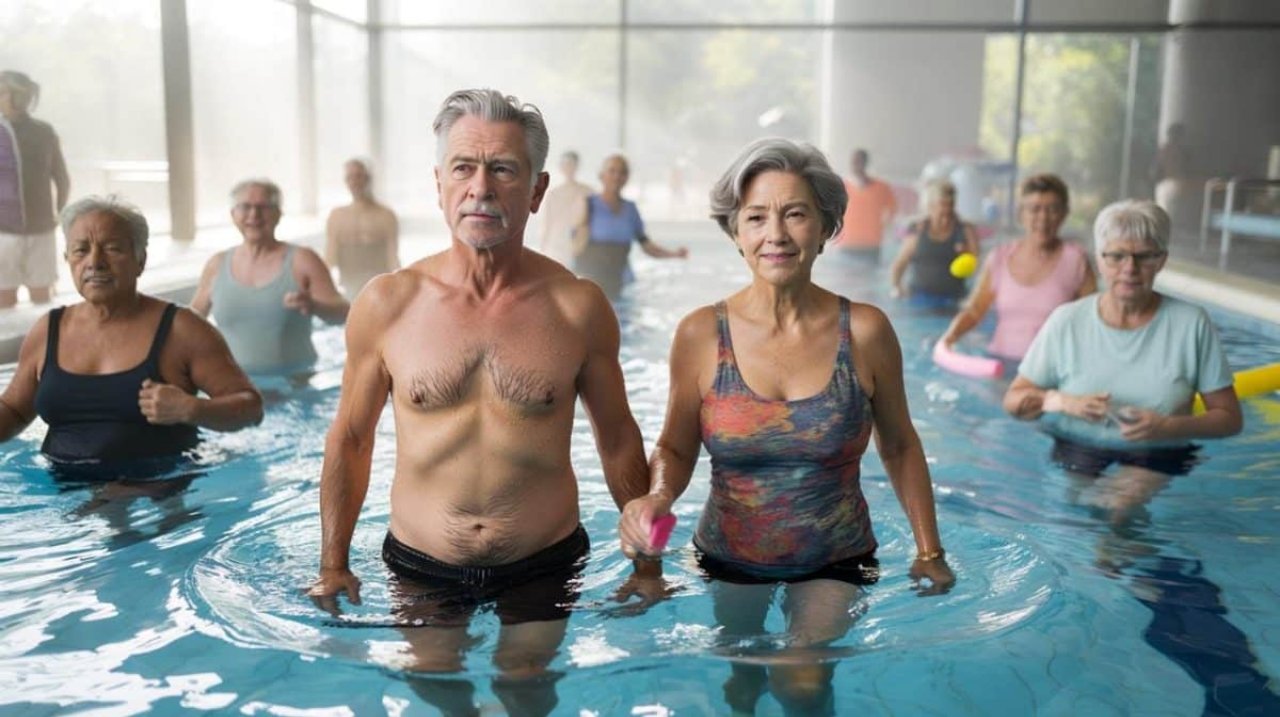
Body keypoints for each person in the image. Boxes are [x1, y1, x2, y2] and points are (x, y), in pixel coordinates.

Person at [308, 89, 650, 714]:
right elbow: (351, 440)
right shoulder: (389, 304)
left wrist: (648, 561)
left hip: (544, 559)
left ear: (537, 190)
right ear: (439, 183)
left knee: (527, 691)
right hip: (422, 563)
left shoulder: (578, 306)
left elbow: (619, 437)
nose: (481, 188)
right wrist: (333, 563)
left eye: (503, 169)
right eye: (463, 167)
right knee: (438, 692)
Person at [616, 138, 954, 715]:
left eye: (795, 213)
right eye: (756, 217)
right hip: (727, 553)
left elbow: (898, 446)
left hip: (835, 556)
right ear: (736, 233)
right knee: (741, 680)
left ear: (825, 227)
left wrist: (929, 550)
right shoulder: (701, 333)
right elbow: (676, 444)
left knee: (802, 681)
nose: (776, 233)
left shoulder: (866, 332)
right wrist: (656, 504)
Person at [0, 196, 262, 464]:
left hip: (158, 492)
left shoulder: (182, 330)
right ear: (67, 258)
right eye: (81, 250)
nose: (95, 262)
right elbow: (14, 410)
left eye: (112, 248)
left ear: (140, 260)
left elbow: (251, 408)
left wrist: (193, 409)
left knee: (109, 505)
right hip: (61, 488)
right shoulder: (48, 330)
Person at [1003, 199, 1242, 488]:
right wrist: (1064, 402)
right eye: (1116, 256)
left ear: (1162, 260)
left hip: (1158, 451)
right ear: (1100, 260)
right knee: (1071, 511)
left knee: (1117, 508)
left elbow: (1229, 418)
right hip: (1076, 445)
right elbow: (1013, 402)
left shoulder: (1191, 324)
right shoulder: (1067, 321)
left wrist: (1167, 428)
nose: (1130, 268)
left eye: (1143, 257)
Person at [191, 179, 348, 374]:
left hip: (294, 385)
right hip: (232, 385)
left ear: (278, 214)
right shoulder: (217, 265)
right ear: (233, 214)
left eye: (263, 207)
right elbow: (190, 325)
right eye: (245, 207)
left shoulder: (302, 261)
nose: (253, 215)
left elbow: (344, 314)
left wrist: (314, 306)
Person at [940, 174, 1097, 362]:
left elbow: (1094, 321)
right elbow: (975, 311)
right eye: (1034, 209)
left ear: (1064, 213)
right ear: (1021, 214)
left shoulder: (1076, 261)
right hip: (1000, 364)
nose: (1043, 217)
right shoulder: (999, 258)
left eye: (1052, 209)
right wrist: (949, 338)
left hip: (1050, 370)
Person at [572, 154, 688, 298]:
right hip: (590, 284)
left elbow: (646, 245)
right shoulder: (588, 204)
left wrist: (674, 254)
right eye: (612, 171)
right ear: (601, 175)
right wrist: (583, 221)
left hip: (619, 283)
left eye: (622, 172)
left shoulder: (630, 209)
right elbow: (574, 249)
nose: (617, 176)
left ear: (627, 177)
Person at [0, 70, 70, 309]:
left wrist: (60, 214)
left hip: (41, 231)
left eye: (3, 92)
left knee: (42, 302)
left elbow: (61, 178)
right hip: (3, 233)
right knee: (4, 303)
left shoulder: (44, 131)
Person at [889, 178, 979, 307]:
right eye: (942, 206)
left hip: (954, 300)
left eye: (950, 206)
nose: (947, 213)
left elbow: (979, 269)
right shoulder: (918, 231)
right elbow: (899, 264)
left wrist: (966, 253)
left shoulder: (965, 231)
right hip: (918, 298)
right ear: (930, 206)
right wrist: (896, 288)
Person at [324, 158, 399, 299]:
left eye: (359, 176)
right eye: (350, 177)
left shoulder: (385, 215)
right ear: (346, 181)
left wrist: (399, 289)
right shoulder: (337, 216)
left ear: (368, 179)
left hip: (379, 288)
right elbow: (330, 259)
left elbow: (393, 258)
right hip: (348, 288)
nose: (355, 182)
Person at [831, 148, 897, 260]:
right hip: (847, 243)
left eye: (859, 162)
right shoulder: (842, 187)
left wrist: (884, 227)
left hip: (871, 243)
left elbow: (893, 210)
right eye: (854, 162)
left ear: (866, 163)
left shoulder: (882, 187)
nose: (856, 165)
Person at [536, 150, 593, 267]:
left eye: (571, 164)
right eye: (565, 164)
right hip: (555, 244)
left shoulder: (587, 192)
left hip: (579, 244)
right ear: (561, 167)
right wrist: (542, 248)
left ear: (577, 166)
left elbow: (590, 221)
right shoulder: (552, 193)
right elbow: (547, 223)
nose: (568, 168)